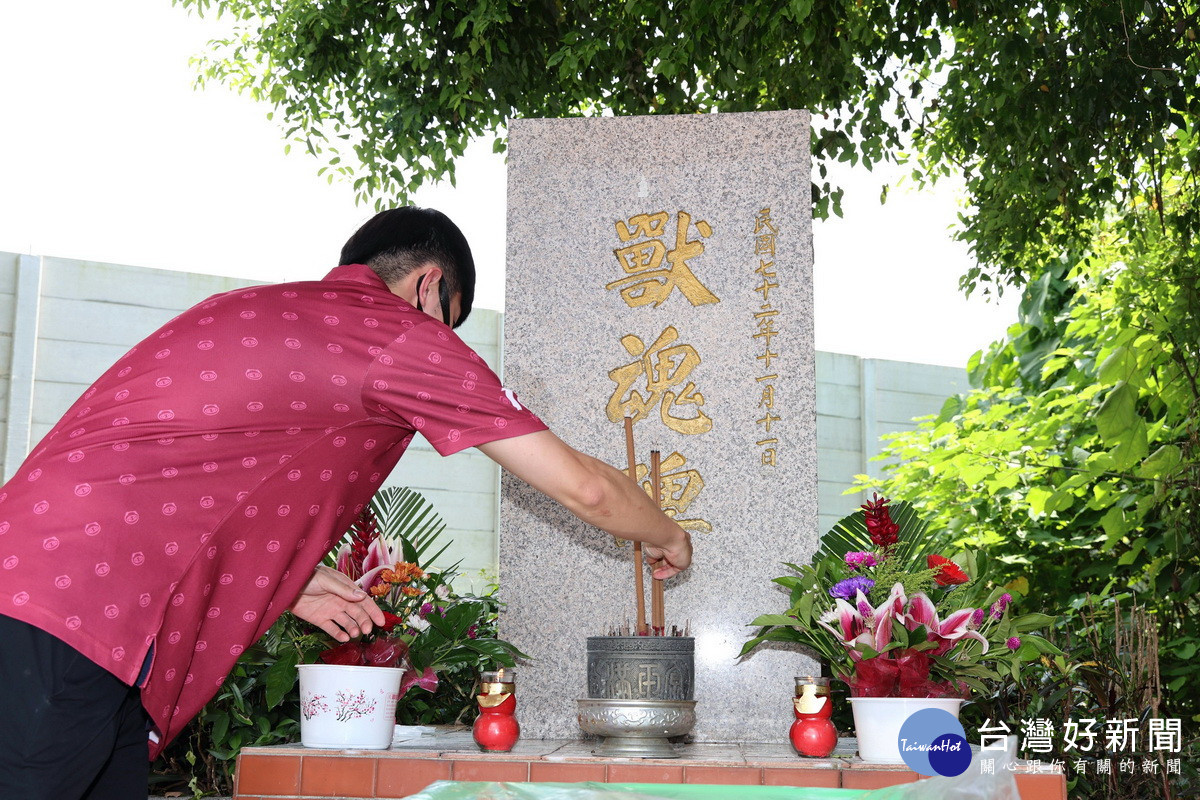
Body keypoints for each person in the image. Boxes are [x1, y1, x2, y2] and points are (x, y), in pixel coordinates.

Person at [0, 207, 692, 799]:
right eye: (448, 323)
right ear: (430, 284)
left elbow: (182, 464)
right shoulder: (397, 334)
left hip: (47, 593)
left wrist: (286, 576)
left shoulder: (244, 308)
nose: (444, 343)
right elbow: (588, 488)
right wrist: (666, 531)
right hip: (77, 616)